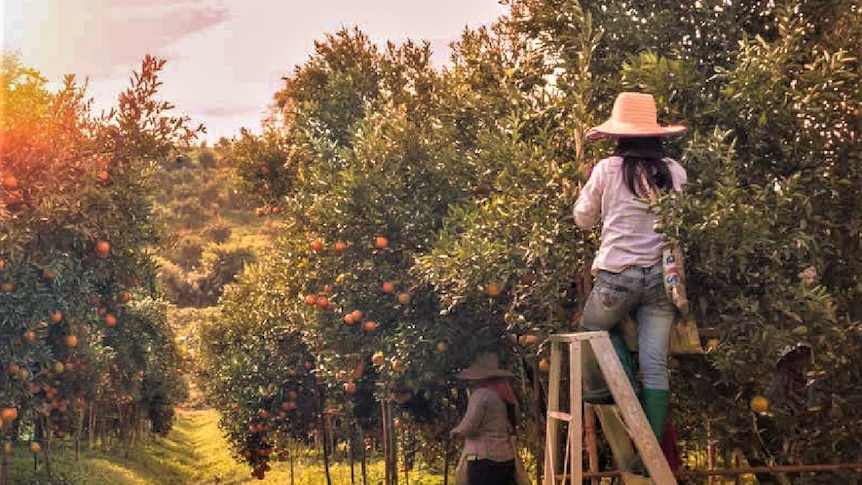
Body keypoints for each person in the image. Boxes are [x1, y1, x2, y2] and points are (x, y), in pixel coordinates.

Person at [573, 92, 688, 443]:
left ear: (619, 135)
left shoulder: (607, 169)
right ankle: (648, 445)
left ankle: (620, 388)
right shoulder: (674, 172)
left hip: (617, 278)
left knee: (592, 329)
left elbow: (582, 219)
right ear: (655, 135)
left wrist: (589, 190)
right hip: (662, 280)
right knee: (654, 366)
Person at [450, 352, 519, 485]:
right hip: (505, 458)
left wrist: (455, 432)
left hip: (485, 460)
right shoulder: (505, 395)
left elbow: (469, 426)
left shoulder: (481, 395)